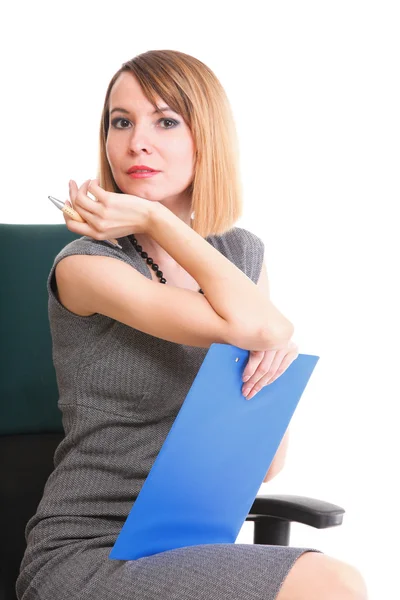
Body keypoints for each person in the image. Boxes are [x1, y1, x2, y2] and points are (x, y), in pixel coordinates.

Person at [16, 49, 368, 600]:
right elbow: (266, 330)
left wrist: (270, 352)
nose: (137, 142)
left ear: (206, 138)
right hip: (89, 553)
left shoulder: (241, 255)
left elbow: (266, 464)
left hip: (189, 542)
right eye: (121, 121)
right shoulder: (88, 266)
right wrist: (155, 215)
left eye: (166, 121)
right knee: (333, 583)